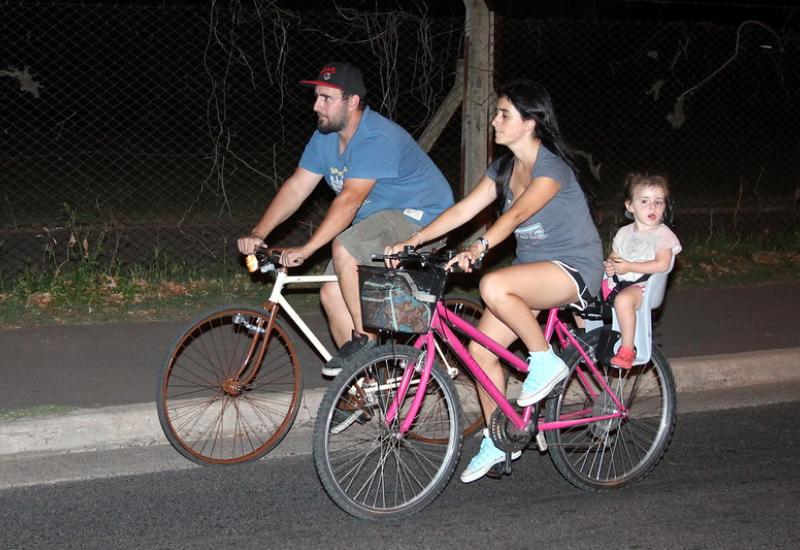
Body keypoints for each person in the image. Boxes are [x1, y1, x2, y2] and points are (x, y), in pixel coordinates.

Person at [386, 79, 603, 483]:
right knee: (481, 352)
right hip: (532, 271)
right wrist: (414, 240)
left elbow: (516, 215)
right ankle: (499, 437)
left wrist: (480, 248)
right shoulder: (503, 168)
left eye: (504, 114)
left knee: (494, 285)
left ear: (530, 123)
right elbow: (466, 208)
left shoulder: (550, 167)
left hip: (573, 267)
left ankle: (545, 360)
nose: (493, 121)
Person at [237, 62, 453, 377]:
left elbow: (350, 200)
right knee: (331, 293)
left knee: (346, 247)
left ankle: (364, 340)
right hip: (381, 220)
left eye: (326, 98)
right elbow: (297, 188)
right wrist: (259, 232)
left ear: (352, 102)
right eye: (316, 97)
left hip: (424, 218)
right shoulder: (325, 138)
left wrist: (309, 248)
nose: (316, 106)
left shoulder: (376, 136)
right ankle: (360, 391)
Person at [603, 173, 681, 369]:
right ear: (630, 206)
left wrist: (629, 266)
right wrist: (611, 265)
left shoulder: (662, 234)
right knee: (582, 293)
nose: (652, 207)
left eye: (658, 202)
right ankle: (583, 342)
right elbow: (614, 256)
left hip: (645, 286)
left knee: (623, 300)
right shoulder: (623, 233)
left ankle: (627, 350)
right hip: (621, 282)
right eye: (644, 201)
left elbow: (662, 264)